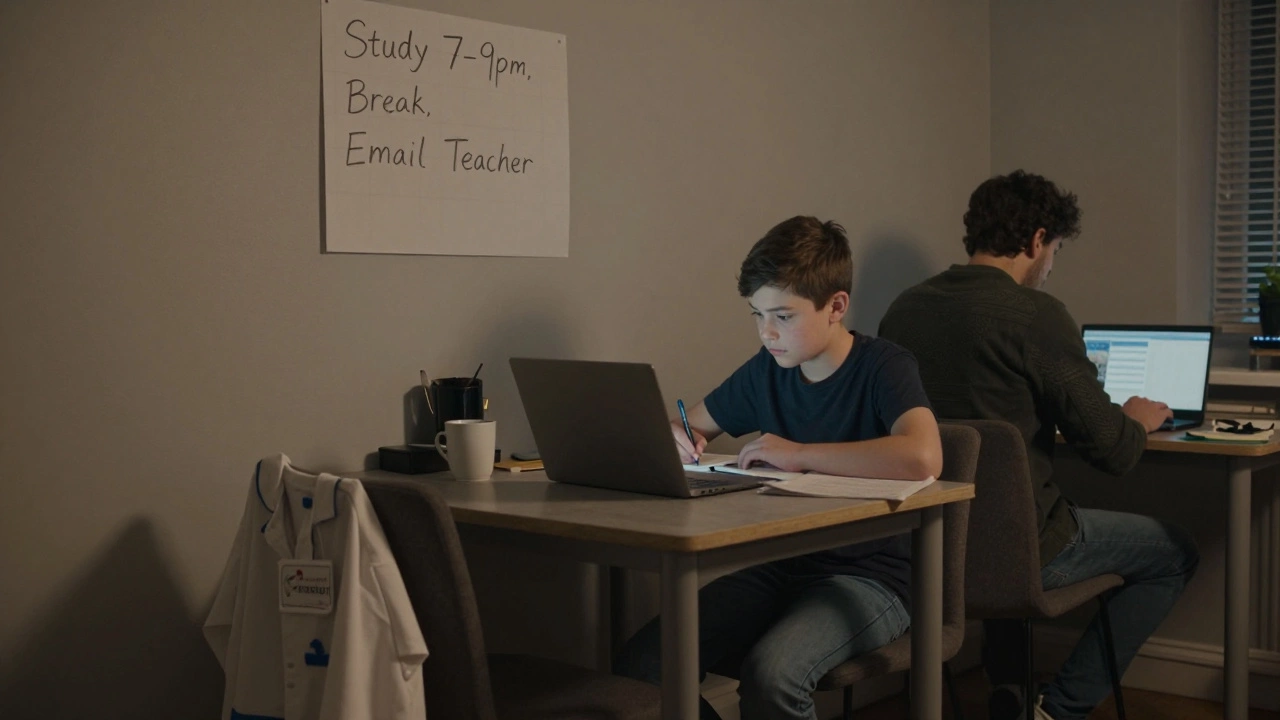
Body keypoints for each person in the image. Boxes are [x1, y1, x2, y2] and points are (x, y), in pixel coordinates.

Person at [878, 170, 1200, 720]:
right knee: (1174, 551)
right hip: (1017, 550)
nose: (1050, 265)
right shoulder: (1036, 315)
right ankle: (1059, 710)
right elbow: (1114, 452)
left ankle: (1010, 690)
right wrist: (1135, 420)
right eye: (1054, 251)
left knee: (1001, 510)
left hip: (924, 546)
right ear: (1036, 239)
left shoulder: (902, 310)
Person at [613, 216, 942, 720]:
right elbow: (690, 425)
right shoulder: (767, 370)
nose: (767, 333)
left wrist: (800, 453)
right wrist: (676, 435)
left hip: (871, 576)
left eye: (783, 316)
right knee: (642, 664)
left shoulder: (884, 367)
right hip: (780, 564)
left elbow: (923, 456)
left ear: (836, 307)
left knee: (773, 676)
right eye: (758, 315)